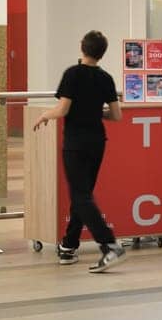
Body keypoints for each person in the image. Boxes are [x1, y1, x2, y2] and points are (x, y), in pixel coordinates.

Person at [32, 30, 129, 273]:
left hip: (75, 142)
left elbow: (62, 109)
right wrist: (97, 112)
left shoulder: (72, 74)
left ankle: (109, 245)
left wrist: (45, 114)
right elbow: (116, 115)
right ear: (102, 53)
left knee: (80, 196)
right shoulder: (105, 78)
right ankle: (69, 245)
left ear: (82, 48)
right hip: (97, 142)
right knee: (83, 193)